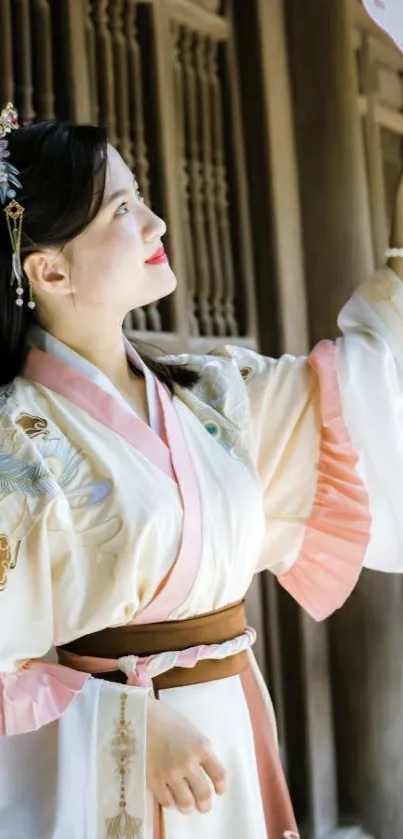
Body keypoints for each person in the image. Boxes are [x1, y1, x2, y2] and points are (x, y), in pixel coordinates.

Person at [0, 101, 403, 839]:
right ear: (48, 267)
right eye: (123, 208)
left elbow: (358, 396)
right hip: (115, 765)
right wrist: (126, 728)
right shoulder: (17, 438)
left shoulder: (209, 393)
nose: (154, 224)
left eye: (140, 198)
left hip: (230, 735)